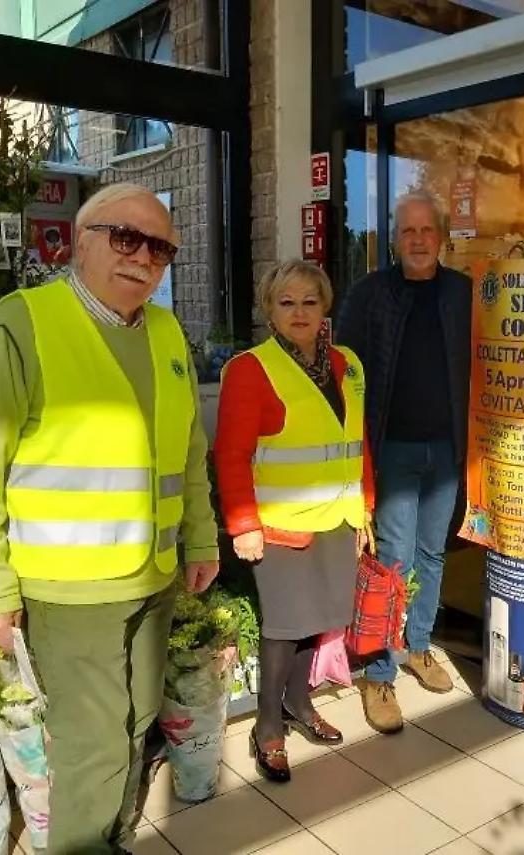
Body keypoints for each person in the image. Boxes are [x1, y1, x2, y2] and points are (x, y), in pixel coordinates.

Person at [0, 183, 219, 853]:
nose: (142, 256)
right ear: (80, 243)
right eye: (126, 237)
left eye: (160, 248)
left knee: (136, 721)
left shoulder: (165, 332)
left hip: (153, 577)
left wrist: (202, 537)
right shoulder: (22, 325)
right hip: (70, 593)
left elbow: (188, 452)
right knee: (93, 743)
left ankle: (111, 834)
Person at [214, 260, 374, 783]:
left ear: (325, 306)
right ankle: (267, 727)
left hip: (339, 517)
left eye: (309, 301)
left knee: (320, 617)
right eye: (287, 302)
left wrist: (366, 507)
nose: (299, 312)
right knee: (284, 627)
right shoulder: (250, 369)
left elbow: (357, 441)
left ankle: (300, 703)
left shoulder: (347, 364)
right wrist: (243, 524)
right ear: (270, 310)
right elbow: (231, 455)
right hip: (281, 526)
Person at [336, 190, 472, 734]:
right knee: (393, 560)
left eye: (426, 230)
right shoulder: (370, 294)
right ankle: (379, 671)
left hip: (446, 450)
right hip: (390, 447)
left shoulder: (462, 293)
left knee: (432, 554)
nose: (418, 240)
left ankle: (418, 645)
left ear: (442, 237)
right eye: (407, 231)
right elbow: (344, 372)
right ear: (394, 240)